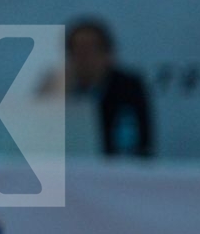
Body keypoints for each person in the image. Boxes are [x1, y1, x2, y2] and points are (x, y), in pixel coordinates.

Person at [64, 18, 154, 159]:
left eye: (90, 51)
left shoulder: (128, 88)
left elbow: (138, 142)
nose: (84, 59)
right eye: (77, 51)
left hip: (116, 171)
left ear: (108, 54)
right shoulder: (57, 87)